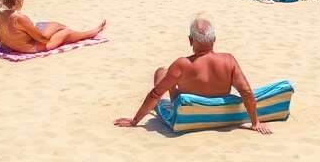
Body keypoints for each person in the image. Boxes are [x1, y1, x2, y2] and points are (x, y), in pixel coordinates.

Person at [115, 14, 271, 133]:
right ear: (214, 40)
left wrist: (134, 121)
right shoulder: (228, 61)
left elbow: (155, 94)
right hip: (218, 106)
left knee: (161, 72)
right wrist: (255, 122)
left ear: (190, 40)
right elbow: (246, 92)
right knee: (169, 73)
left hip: (187, 110)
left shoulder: (182, 64)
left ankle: (159, 95)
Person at [0, 0, 104, 52]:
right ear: (18, 0)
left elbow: (0, 39)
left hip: (14, 46)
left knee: (44, 25)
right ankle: (90, 33)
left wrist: (10, 46)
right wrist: (52, 35)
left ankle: (63, 28)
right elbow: (42, 39)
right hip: (29, 48)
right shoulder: (18, 18)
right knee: (66, 32)